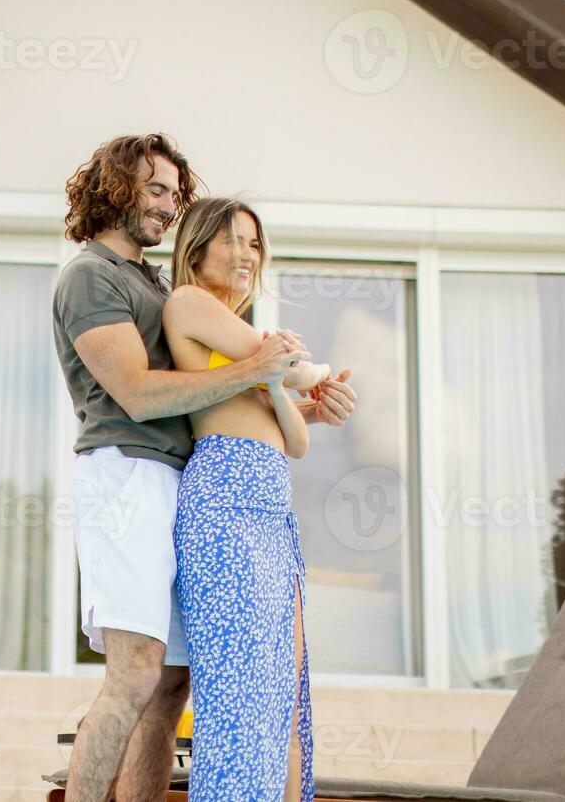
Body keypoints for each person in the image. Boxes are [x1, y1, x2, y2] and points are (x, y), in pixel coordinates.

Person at [51, 135, 357, 802]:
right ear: (113, 186)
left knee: (169, 687)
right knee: (134, 676)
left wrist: (288, 400)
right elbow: (136, 391)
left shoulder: (154, 284)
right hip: (128, 474)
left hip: (185, 478)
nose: (168, 205)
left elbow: (212, 380)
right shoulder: (90, 276)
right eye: (155, 189)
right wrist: (265, 368)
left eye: (173, 194)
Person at [164, 196, 328, 801]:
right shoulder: (190, 304)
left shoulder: (252, 354)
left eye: (254, 243)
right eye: (232, 240)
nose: (244, 254)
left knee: (285, 697)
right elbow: (296, 368)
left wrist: (293, 382)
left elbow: (296, 436)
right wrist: (300, 369)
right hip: (225, 505)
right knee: (239, 697)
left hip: (272, 512)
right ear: (199, 246)